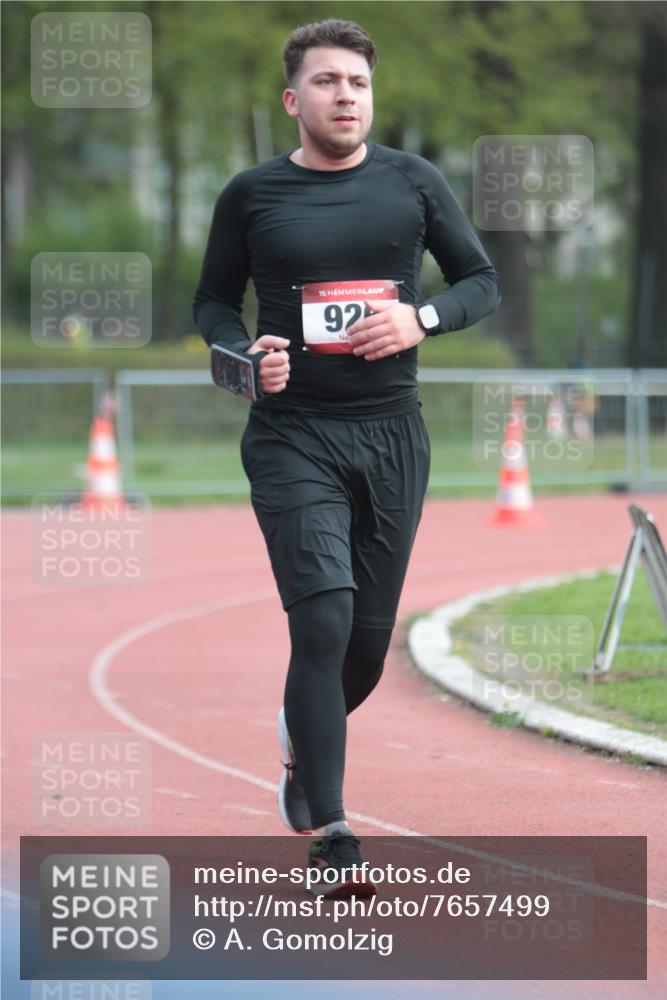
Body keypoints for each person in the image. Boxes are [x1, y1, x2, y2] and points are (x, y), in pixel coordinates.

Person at [193, 18, 501, 898]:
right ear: (294, 100)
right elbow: (213, 302)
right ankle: (331, 833)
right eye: (326, 83)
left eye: (357, 84)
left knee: (365, 645)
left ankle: (299, 737)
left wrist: (422, 318)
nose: (344, 97)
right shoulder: (252, 195)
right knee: (322, 619)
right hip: (293, 435)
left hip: (392, 435)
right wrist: (246, 359)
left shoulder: (413, 182)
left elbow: (480, 279)